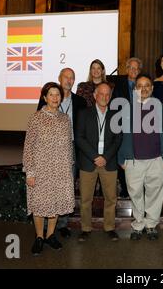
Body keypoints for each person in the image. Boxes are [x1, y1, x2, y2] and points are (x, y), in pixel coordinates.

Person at [23, 82, 75, 255]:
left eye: (57, 95)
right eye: (51, 95)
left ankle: (51, 235)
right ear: (45, 97)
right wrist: (29, 172)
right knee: (39, 205)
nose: (55, 98)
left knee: (55, 203)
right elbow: (28, 147)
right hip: (40, 170)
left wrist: (68, 169)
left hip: (60, 170)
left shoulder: (65, 119)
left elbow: (69, 146)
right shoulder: (36, 118)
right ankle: (39, 237)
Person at [117, 74, 163, 241]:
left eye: (147, 85)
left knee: (155, 193)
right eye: (140, 85)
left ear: (152, 88)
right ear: (135, 89)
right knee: (136, 193)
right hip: (133, 160)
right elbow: (120, 135)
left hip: (156, 159)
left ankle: (151, 225)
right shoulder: (126, 108)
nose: (144, 88)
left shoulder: (160, 107)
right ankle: (138, 224)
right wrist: (121, 158)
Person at [36, 68, 86, 238]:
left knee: (66, 185)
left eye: (72, 78)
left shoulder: (79, 101)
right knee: (46, 186)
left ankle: (62, 223)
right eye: (66, 77)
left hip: (70, 147)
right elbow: (39, 120)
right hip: (48, 149)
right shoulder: (50, 97)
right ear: (59, 78)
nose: (69, 80)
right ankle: (43, 225)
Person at [75, 82, 122, 242]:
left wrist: (105, 157)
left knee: (111, 199)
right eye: (101, 94)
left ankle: (109, 228)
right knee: (86, 199)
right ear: (95, 96)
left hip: (108, 162)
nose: (104, 97)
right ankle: (85, 229)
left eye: (107, 94)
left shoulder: (115, 115)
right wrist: (95, 156)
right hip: (89, 162)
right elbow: (79, 138)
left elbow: (118, 139)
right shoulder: (83, 113)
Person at [107, 57, 143, 199]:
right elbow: (114, 105)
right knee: (123, 156)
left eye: (136, 69)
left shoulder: (143, 85)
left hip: (141, 126)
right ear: (127, 69)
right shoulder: (118, 85)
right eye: (131, 68)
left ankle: (138, 186)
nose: (134, 71)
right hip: (122, 125)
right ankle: (124, 187)